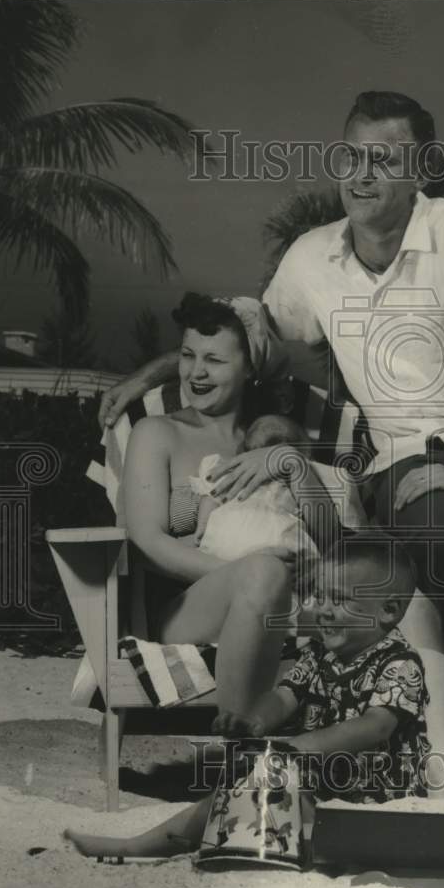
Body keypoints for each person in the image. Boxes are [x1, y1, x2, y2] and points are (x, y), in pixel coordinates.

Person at [98, 91, 444, 830]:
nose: (362, 174)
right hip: (410, 462)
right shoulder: (312, 259)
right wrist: (158, 371)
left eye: (384, 159)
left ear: (420, 169)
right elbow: (251, 336)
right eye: (351, 156)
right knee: (434, 524)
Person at [64, 536, 431, 861]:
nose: (324, 610)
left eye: (341, 600)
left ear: (390, 610)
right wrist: (255, 720)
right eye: (320, 596)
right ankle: (134, 847)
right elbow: (286, 695)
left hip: (379, 804)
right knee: (231, 796)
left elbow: (376, 726)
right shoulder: (321, 654)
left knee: (265, 799)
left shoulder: (400, 662)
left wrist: (298, 747)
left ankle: (293, 847)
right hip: (325, 791)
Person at [121, 292, 340, 720]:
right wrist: (246, 570)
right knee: (262, 571)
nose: (196, 372)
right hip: (188, 610)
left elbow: (330, 539)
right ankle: (241, 740)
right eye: (187, 356)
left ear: (250, 370)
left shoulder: (274, 438)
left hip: (291, 601)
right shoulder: (157, 433)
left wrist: (293, 465)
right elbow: (146, 540)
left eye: (215, 361)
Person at [191, 413, 321, 567]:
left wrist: (203, 525)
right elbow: (212, 495)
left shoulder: (296, 481)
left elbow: (211, 497)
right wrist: (203, 525)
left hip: (235, 541)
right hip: (271, 540)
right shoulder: (237, 473)